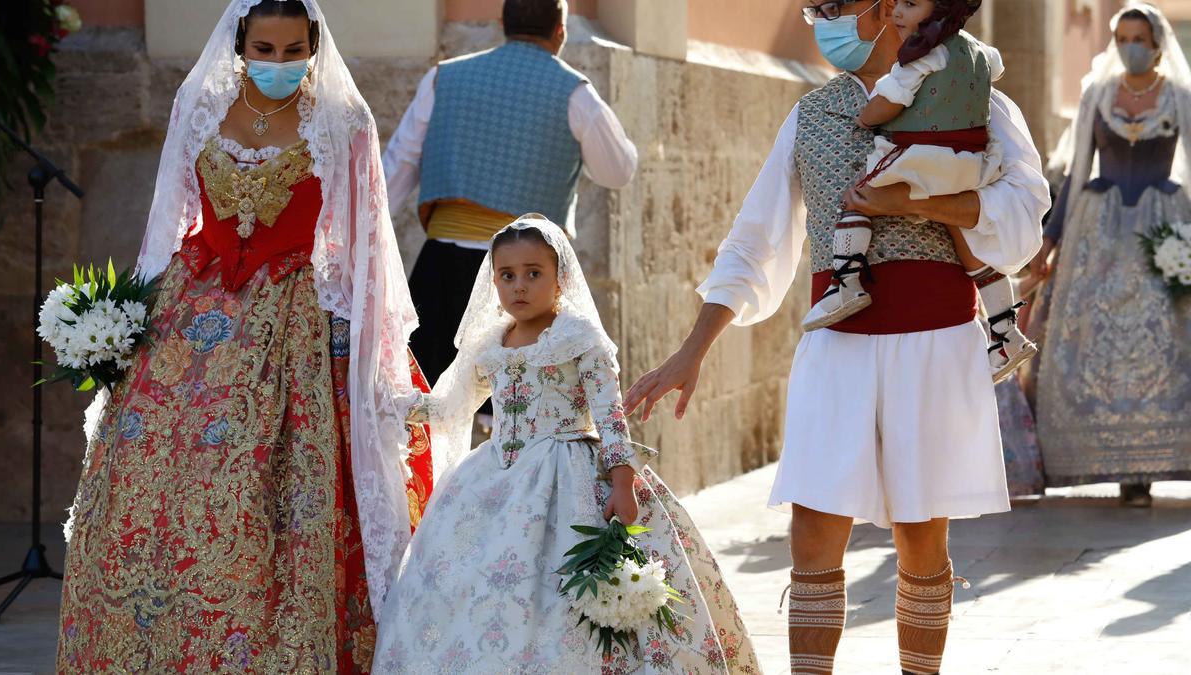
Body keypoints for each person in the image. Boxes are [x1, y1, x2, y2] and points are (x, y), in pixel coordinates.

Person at [623, 1, 1049, 672]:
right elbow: (754, 242)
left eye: (831, 7)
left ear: (881, 10)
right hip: (836, 341)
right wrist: (692, 349)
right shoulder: (810, 115)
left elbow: (1023, 214)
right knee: (813, 530)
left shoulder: (977, 95)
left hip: (934, 343)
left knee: (920, 537)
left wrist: (914, 201)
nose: (820, 20)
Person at [55, 1, 430, 671]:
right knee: (150, 479)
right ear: (240, 45)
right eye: (265, 49)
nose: (279, 63)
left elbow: (365, 244)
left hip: (292, 317)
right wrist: (129, 320)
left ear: (313, 48)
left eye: (293, 51)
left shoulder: (343, 120)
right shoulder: (200, 105)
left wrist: (362, 346)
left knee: (273, 495)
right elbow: (170, 215)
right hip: (191, 308)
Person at [371, 217, 759, 674]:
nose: (519, 285)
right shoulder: (490, 344)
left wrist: (623, 484)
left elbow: (610, 417)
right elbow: (448, 408)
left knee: (567, 592)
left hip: (568, 477)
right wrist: (387, 402)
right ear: (494, 281)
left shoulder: (579, 338)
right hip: (492, 480)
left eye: (534, 273)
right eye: (507, 275)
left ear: (560, 278)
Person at [382, 0, 637, 422]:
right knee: (521, 419)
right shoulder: (574, 92)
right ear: (560, 30)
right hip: (526, 280)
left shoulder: (443, 78)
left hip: (442, 269)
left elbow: (396, 168)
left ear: (502, 23)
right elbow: (618, 170)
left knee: (425, 413)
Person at [803, 0, 1037, 384]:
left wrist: (865, 119)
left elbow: (890, 101)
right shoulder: (980, 52)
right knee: (969, 246)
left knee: (857, 198)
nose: (898, 12)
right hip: (972, 163)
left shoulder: (918, 58)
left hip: (923, 157)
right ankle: (1006, 331)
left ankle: (846, 282)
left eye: (909, 4)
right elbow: (994, 68)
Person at [1033, 2, 1191, 508]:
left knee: (1160, 340)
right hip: (1097, 231)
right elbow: (1076, 171)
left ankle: (1145, 468)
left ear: (1158, 45)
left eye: (1139, 39)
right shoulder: (1097, 94)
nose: (1130, 47)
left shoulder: (1180, 97)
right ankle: (1113, 461)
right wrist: (1050, 240)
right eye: (1123, 38)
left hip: (1163, 227)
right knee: (1095, 340)